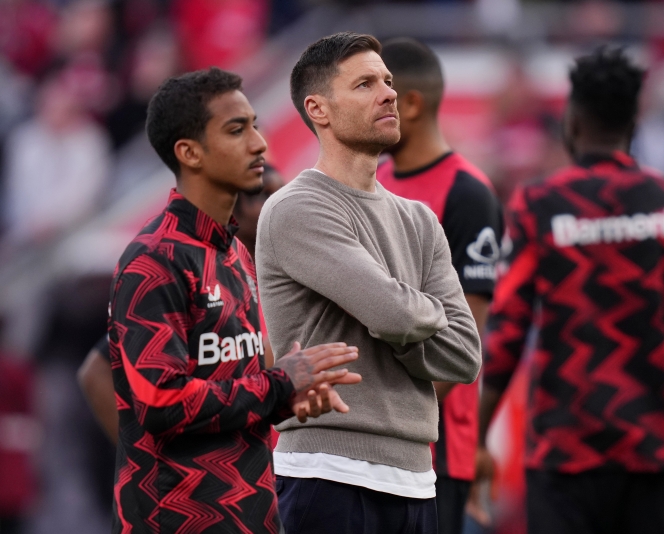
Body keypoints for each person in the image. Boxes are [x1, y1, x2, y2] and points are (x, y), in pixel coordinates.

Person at [476, 47, 664, 534]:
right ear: (634, 122)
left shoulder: (539, 205)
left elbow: (505, 335)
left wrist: (478, 440)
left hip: (562, 447)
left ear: (571, 121)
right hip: (649, 448)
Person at [110, 67, 361, 533]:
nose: (259, 144)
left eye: (255, 126)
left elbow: (236, 386)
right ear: (189, 153)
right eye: (236, 130)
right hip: (176, 520)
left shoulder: (236, 255)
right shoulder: (153, 259)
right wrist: (280, 385)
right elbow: (161, 402)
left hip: (253, 516)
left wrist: (289, 398)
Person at [255, 32, 482, 533]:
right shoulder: (297, 207)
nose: (388, 93)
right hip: (327, 473)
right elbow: (391, 314)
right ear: (318, 109)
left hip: (417, 478)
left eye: (388, 81)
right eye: (365, 84)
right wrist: (421, 314)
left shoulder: (420, 219)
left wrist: (395, 315)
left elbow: (465, 355)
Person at [376, 37, 504, 534]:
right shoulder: (371, 183)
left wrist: (392, 419)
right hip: (372, 438)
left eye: (380, 96)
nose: (368, 109)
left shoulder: (469, 195)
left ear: (410, 104)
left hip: (435, 447)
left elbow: (463, 339)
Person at [77, 163, 286, 446]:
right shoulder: (193, 280)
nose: (279, 204)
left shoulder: (291, 278)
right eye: (265, 195)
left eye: (283, 193)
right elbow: (98, 372)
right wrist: (142, 457)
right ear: (231, 208)